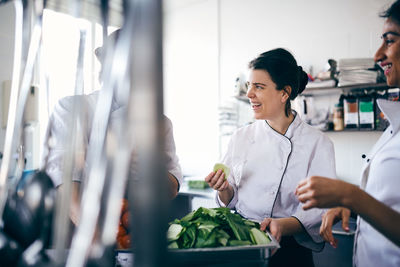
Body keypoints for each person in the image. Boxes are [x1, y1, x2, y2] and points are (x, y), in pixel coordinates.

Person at [205, 48, 336, 267]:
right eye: (249, 86)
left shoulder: (318, 144)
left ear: (284, 93)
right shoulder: (240, 137)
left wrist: (284, 225)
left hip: (291, 252)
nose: (249, 94)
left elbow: (321, 208)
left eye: (259, 87)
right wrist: (223, 188)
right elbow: (231, 197)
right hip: (244, 243)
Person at [295, 1, 400, 266]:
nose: (378, 55)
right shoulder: (393, 127)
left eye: (390, 40)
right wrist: (354, 207)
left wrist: (349, 195)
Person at [44, 29, 182, 226]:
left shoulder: (161, 122)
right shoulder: (72, 109)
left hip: (138, 230)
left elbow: (171, 187)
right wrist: (93, 235)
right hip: (79, 234)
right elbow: (65, 180)